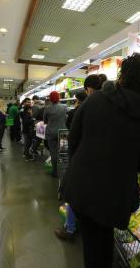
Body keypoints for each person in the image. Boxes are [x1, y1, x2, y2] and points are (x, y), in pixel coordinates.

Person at [64, 53, 140, 267]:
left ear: (122, 76)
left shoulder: (96, 99)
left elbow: (73, 137)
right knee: (102, 241)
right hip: (115, 195)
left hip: (81, 184)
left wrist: (83, 163)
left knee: (93, 244)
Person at [54, 90, 88, 240]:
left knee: (73, 193)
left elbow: (72, 133)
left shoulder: (79, 110)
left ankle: (70, 228)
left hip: (80, 158)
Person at [44, 91, 67, 178]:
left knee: (53, 152)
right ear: (59, 98)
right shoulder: (64, 107)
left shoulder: (47, 108)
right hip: (63, 132)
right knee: (64, 152)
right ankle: (64, 172)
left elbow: (45, 121)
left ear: (50, 98)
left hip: (51, 132)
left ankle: (55, 172)